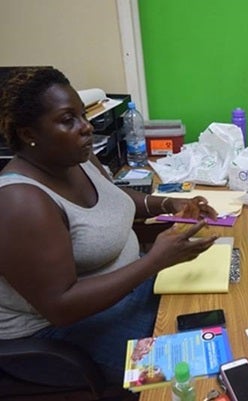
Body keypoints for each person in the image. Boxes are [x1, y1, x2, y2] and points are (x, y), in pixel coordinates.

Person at [0, 67, 219, 383]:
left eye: (83, 115)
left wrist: (170, 205)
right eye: (67, 120)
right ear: (28, 135)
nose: (86, 127)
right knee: (200, 371)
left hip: (127, 291)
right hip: (60, 336)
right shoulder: (20, 203)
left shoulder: (76, 158)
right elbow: (61, 307)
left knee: (218, 315)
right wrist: (155, 261)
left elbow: (116, 200)